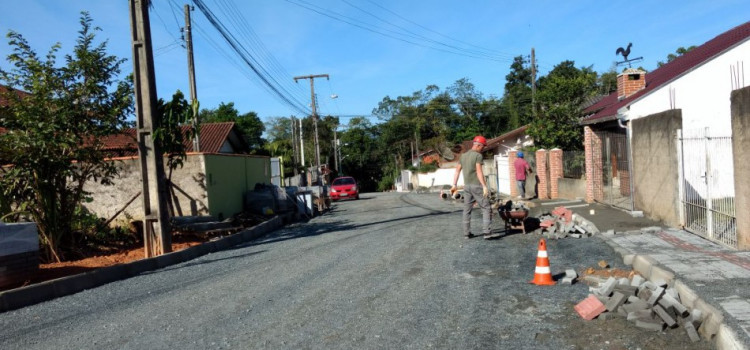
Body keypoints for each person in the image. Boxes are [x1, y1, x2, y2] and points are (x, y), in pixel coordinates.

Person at [451, 135, 491, 239]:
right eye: (483, 147)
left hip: (467, 187)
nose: (483, 149)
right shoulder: (478, 156)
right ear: (478, 145)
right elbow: (479, 172)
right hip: (477, 186)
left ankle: (466, 233)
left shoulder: (463, 156)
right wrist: (484, 186)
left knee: (467, 210)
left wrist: (454, 184)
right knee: (486, 207)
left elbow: (457, 171)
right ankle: (486, 232)